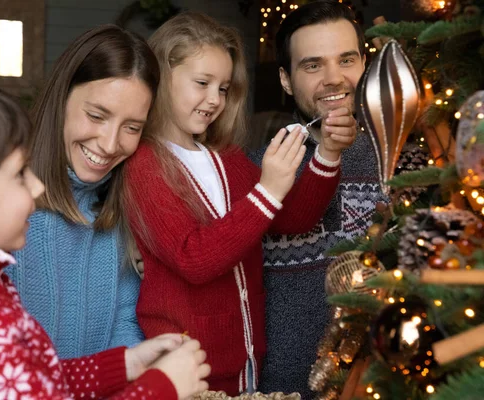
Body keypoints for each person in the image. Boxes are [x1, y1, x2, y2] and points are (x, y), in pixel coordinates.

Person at [0, 65, 211, 400]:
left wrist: (125, 364)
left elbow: (33, 380)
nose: (37, 184)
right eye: (19, 174)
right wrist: (161, 389)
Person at [122, 11, 357, 396]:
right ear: (162, 76)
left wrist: (328, 153)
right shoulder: (145, 165)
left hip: (247, 363)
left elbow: (291, 220)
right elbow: (195, 259)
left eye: (224, 88)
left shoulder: (226, 157)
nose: (214, 100)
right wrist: (267, 191)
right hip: (186, 372)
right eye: (202, 83)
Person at [249, 1, 384, 397]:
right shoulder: (257, 169)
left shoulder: (408, 161)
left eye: (346, 60)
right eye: (312, 65)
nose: (333, 79)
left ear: (364, 63)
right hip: (283, 392)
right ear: (286, 79)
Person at [4, 25, 158, 359]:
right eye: (96, 115)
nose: (109, 144)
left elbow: (125, 321)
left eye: (132, 127)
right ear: (62, 99)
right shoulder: (1, 205)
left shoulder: (126, 207)